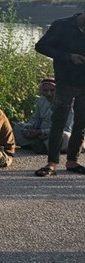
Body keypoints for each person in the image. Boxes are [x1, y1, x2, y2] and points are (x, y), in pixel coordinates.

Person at [34, 12, 85, 176]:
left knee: (80, 124)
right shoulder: (61, 25)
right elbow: (41, 46)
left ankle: (72, 161)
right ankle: (52, 163)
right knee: (58, 122)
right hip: (65, 81)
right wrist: (69, 57)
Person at [14, 79, 73, 154]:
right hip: (39, 133)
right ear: (42, 91)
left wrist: (40, 132)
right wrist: (30, 127)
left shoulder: (68, 104)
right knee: (18, 127)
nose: (49, 94)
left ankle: (38, 146)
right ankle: (39, 145)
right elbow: (36, 118)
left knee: (65, 136)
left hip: (55, 134)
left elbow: (66, 128)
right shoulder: (41, 100)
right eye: (45, 90)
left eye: (52, 90)